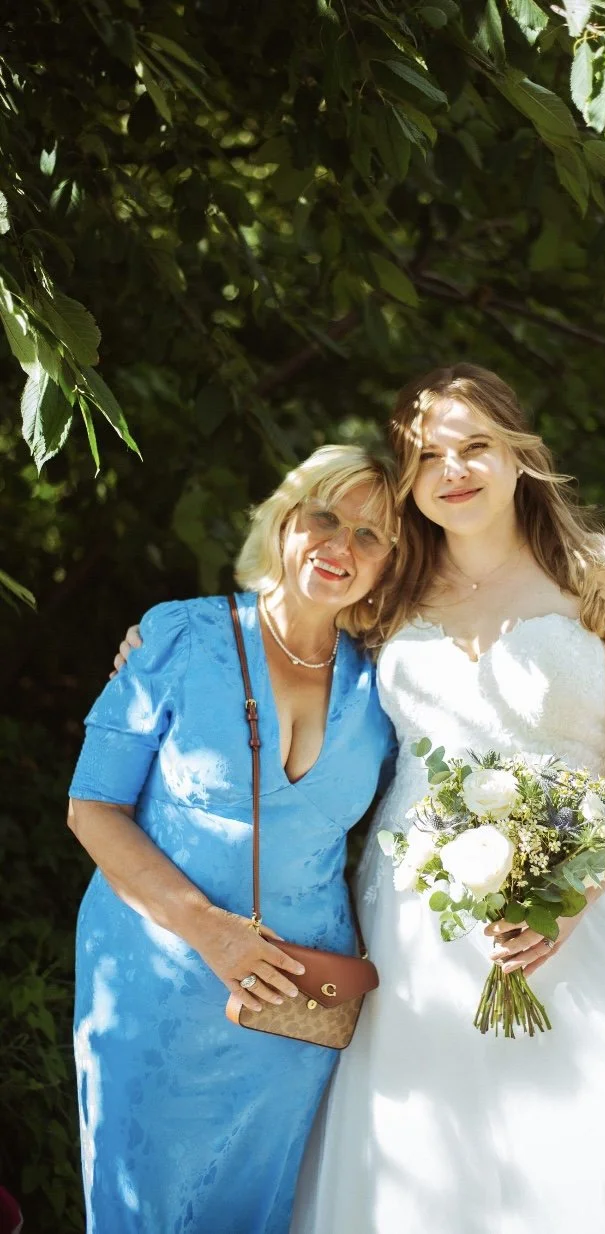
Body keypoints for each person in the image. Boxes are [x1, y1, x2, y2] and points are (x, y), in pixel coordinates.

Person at [115, 366, 605, 1231]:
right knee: (434, 1152)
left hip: (595, 891)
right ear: (407, 477)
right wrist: (154, 647)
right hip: (420, 917)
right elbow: (279, 634)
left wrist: (570, 895)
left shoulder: (594, 573)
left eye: (475, 445)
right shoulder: (388, 588)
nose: (453, 469)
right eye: (427, 455)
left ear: (520, 452)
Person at [67, 445, 400, 1234]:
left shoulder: (387, 686)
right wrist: (209, 932)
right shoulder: (179, 637)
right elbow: (92, 809)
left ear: (391, 566)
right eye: (324, 517)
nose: (339, 547)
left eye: (370, 536)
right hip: (155, 985)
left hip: (298, 1005)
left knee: (262, 1208)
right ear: (285, 522)